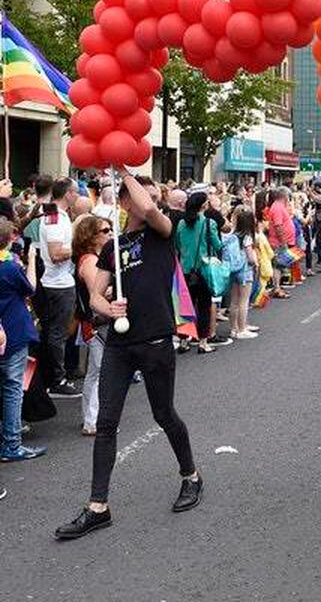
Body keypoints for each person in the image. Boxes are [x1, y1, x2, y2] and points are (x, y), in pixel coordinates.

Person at [55, 173, 201, 541]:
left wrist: (122, 168)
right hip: (119, 345)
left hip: (154, 341)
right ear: (122, 203)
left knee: (163, 413)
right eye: (139, 193)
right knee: (106, 423)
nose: (151, 199)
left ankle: (191, 476)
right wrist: (109, 307)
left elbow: (151, 208)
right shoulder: (112, 246)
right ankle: (98, 507)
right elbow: (94, 297)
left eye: (152, 194)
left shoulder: (162, 232)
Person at [0, 218, 43, 462]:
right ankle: (12, 443)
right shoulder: (9, 268)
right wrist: (32, 261)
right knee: (13, 388)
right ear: (8, 240)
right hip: (13, 331)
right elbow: (31, 288)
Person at [37, 178, 80, 397]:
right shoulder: (54, 217)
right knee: (57, 333)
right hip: (58, 284)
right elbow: (55, 254)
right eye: (77, 191)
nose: (79, 195)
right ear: (68, 194)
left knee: (57, 332)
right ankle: (56, 380)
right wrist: (78, 247)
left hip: (60, 282)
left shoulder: (57, 215)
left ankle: (53, 376)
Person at [73, 215, 113, 435]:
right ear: (91, 236)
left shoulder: (96, 258)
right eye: (105, 231)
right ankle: (91, 420)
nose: (109, 234)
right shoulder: (89, 261)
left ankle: (93, 417)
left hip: (99, 321)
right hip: (96, 322)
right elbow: (96, 295)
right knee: (97, 371)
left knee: (99, 370)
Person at [175, 188, 225, 354]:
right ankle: (203, 342)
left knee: (185, 307)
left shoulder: (182, 223)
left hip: (184, 271)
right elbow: (218, 245)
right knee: (203, 306)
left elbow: (177, 245)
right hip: (203, 270)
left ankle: (183, 341)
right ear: (204, 205)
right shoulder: (209, 223)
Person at [223, 210, 258, 340]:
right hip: (245, 270)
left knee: (234, 301)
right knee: (244, 301)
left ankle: (234, 328)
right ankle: (242, 328)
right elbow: (250, 258)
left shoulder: (232, 235)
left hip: (233, 269)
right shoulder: (247, 237)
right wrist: (255, 263)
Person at [265, 188, 296, 299]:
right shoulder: (277, 207)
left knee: (279, 265)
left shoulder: (279, 206)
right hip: (278, 242)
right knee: (277, 265)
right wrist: (283, 241)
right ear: (285, 196)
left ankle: (277, 287)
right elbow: (278, 226)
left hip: (280, 241)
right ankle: (276, 287)